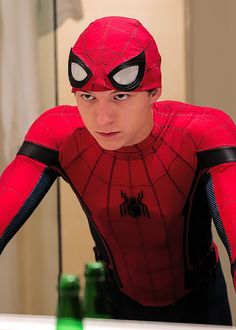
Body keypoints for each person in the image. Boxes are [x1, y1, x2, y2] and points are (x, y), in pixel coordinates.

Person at [0, 16, 235, 325]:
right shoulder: (60, 133)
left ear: (154, 92)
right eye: (87, 97)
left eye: (120, 96)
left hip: (201, 305)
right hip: (113, 305)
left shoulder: (203, 133)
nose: (102, 118)